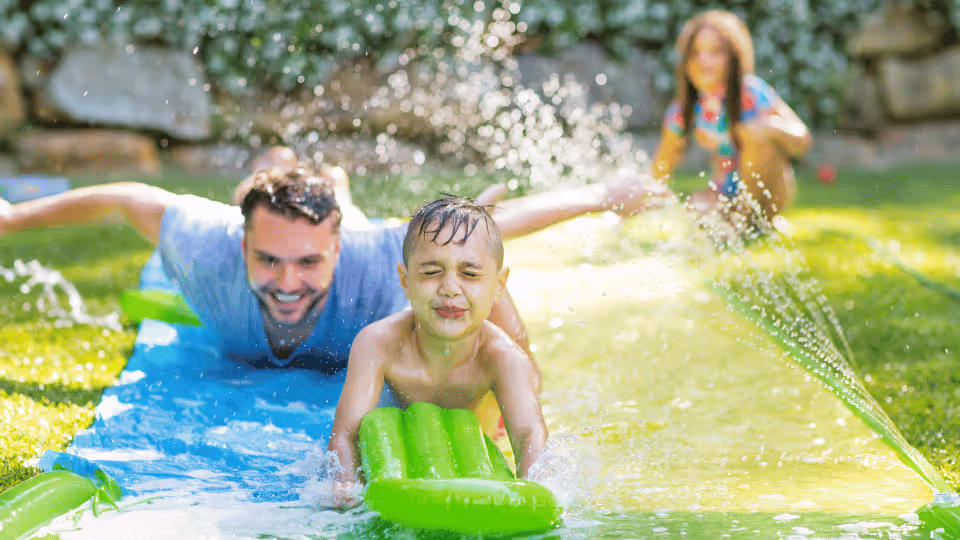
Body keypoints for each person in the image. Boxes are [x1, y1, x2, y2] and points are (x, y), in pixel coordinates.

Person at [0, 167, 534, 373]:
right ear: (242, 244)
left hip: (364, 232)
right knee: (262, 189)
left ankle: (334, 183)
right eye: (267, 259)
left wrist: (520, 368)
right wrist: (15, 219)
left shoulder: (380, 253)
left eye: (307, 262)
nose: (285, 283)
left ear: (338, 248)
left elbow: (480, 251)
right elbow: (125, 196)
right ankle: (281, 164)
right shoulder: (205, 245)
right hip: (269, 217)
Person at [328, 197, 546, 507]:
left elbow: (528, 437)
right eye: (431, 273)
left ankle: (481, 227)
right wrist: (345, 483)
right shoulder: (378, 344)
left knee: (530, 372)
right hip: (409, 411)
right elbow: (345, 435)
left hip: (485, 420)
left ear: (499, 285)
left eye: (469, 274)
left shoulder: (503, 358)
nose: (449, 288)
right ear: (405, 281)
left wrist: (537, 493)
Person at [649, 9, 813, 226]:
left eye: (715, 52)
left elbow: (802, 139)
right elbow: (661, 167)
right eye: (695, 52)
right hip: (725, 190)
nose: (703, 60)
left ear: (733, 58)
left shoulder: (752, 93)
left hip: (771, 189)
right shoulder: (685, 110)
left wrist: (767, 128)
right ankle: (737, 222)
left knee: (755, 136)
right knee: (697, 206)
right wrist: (626, 206)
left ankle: (751, 220)